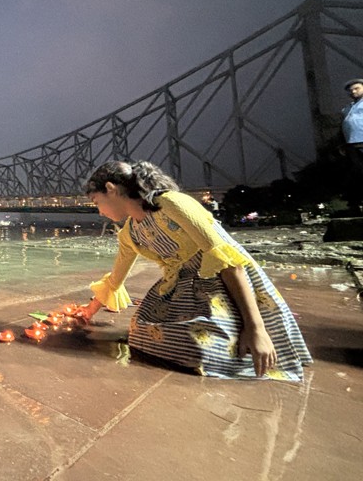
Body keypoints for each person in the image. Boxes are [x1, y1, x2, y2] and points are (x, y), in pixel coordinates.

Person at [76, 161, 311, 381]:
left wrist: (255, 328)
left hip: (224, 283)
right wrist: (89, 311)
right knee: (139, 334)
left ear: (111, 189)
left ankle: (241, 340)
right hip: (181, 289)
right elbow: (117, 278)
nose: (99, 212)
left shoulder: (171, 204)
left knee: (198, 346)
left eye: (97, 201)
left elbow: (229, 263)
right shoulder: (130, 233)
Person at [341, 79, 363, 203]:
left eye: (357, 88)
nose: (353, 91)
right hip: (351, 143)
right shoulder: (347, 108)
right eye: (351, 90)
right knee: (356, 171)